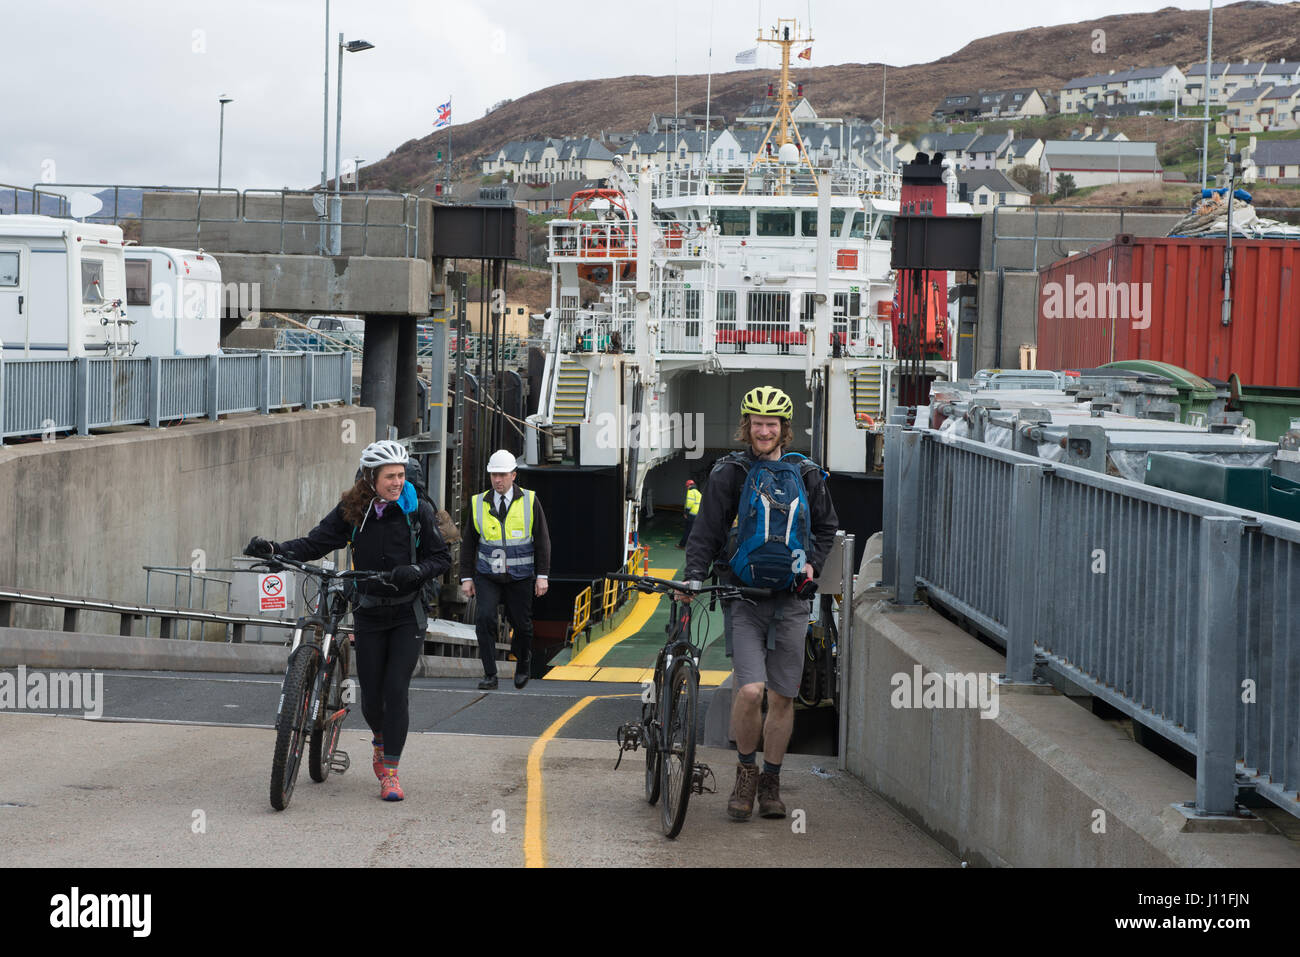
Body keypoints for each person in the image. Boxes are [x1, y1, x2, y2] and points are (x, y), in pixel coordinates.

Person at [244, 440, 450, 802]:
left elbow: (441, 558)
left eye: (401, 476)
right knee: (371, 699)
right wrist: (276, 550)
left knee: (395, 690)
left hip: (406, 613)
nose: (397, 483)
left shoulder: (417, 509)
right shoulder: (353, 509)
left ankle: (391, 772)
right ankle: (380, 740)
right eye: (390, 477)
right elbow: (315, 543)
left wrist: (416, 570)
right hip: (369, 610)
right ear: (371, 478)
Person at [683, 385, 838, 821]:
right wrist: (694, 576)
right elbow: (707, 530)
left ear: (784, 429)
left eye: (772, 424)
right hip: (743, 596)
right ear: (746, 426)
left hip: (791, 598)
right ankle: (746, 774)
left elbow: (826, 528)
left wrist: (812, 564)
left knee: (783, 697)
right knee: (750, 690)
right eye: (757, 423)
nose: (764, 430)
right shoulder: (729, 472)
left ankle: (771, 779)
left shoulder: (807, 473)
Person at [460, 449, 552, 690]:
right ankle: (490, 674)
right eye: (493, 475)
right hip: (487, 575)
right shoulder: (478, 502)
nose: (497, 480)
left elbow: (542, 540)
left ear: (513, 475)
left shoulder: (530, 501)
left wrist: (542, 576)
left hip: (520, 577)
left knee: (522, 624)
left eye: (502, 475)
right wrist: (466, 577)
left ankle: (523, 663)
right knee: (484, 618)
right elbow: (469, 541)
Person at [676, 479, 700, 548]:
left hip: (691, 514)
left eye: (687, 486)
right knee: (694, 530)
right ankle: (694, 546)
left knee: (687, 530)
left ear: (688, 486)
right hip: (697, 514)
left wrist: (686, 512)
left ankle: (682, 545)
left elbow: (689, 503)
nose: (687, 488)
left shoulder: (690, 492)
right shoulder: (698, 492)